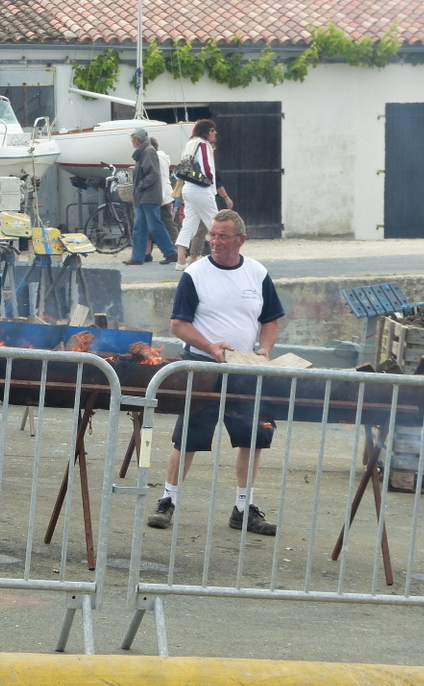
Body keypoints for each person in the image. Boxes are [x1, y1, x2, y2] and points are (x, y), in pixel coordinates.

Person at [147, 209, 285, 536]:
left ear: (241, 239)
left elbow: (271, 322)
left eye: (223, 236)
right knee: (189, 438)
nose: (215, 242)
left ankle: (243, 508)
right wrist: (210, 347)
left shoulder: (257, 273)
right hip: (203, 368)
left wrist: (264, 350)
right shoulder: (195, 273)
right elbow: (178, 324)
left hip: (245, 368)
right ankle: (168, 500)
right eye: (212, 235)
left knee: (253, 437)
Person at [122, 128, 178, 266]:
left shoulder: (148, 151)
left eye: (132, 138)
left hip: (148, 196)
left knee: (154, 226)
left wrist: (140, 186)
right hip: (144, 197)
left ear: (137, 139)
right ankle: (137, 257)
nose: (131, 141)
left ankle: (171, 253)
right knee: (140, 227)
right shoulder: (146, 151)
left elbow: (153, 174)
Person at [174, 119, 219, 269]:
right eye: (212, 130)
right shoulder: (203, 144)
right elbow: (206, 167)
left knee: (189, 225)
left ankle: (181, 260)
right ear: (206, 132)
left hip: (188, 188)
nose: (215, 133)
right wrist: (212, 181)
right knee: (215, 222)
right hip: (202, 189)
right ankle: (220, 256)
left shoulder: (189, 144)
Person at [146, 136, 179, 262]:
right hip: (164, 194)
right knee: (159, 223)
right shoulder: (162, 158)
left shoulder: (155, 159)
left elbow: (156, 179)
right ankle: (147, 252)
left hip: (158, 196)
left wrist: (157, 197)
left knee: (166, 223)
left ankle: (175, 250)